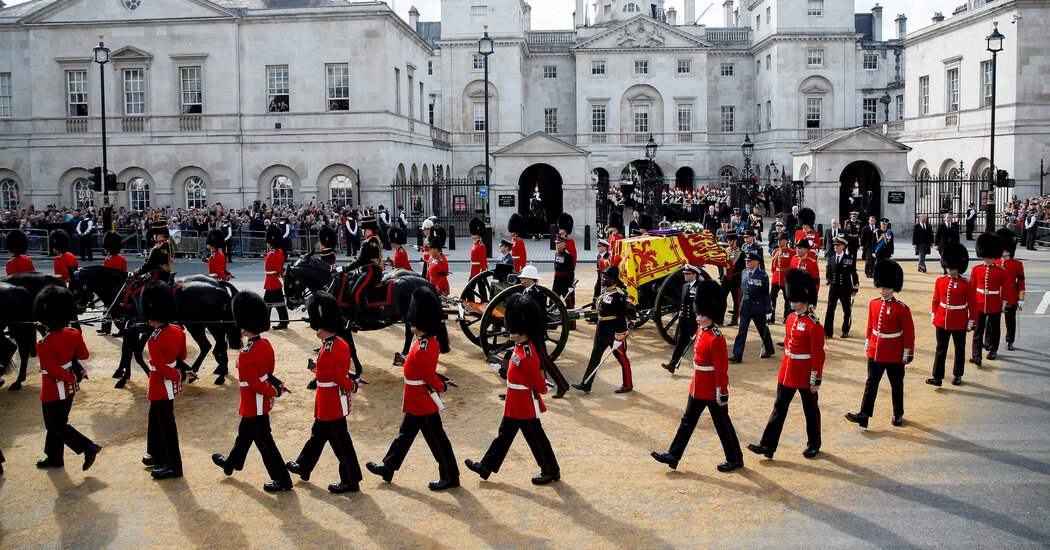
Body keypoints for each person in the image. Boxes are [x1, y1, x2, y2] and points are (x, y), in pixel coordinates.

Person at [367, 287, 460, 491]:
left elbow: (428, 376)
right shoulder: (423, 341)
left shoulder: (426, 345)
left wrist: (442, 386)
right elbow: (420, 369)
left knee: (437, 440)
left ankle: (450, 476)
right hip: (415, 398)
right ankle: (388, 467)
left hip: (422, 401)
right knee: (405, 436)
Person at [465, 294, 561, 485]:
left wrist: (542, 388)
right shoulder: (520, 347)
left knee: (536, 438)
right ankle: (485, 467)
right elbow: (516, 372)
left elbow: (536, 380)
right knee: (504, 436)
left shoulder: (526, 353)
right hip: (514, 400)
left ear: (522, 329)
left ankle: (551, 471)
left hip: (523, 403)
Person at [651, 278, 744, 473]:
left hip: (711, 389)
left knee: (722, 424)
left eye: (700, 310)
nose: (697, 312)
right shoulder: (702, 331)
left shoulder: (716, 338)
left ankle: (735, 458)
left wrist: (722, 394)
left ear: (708, 312)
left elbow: (721, 370)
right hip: (698, 386)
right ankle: (673, 455)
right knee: (687, 422)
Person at [212, 291, 293, 492]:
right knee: (244, 435)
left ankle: (282, 480)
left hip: (254, 402)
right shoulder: (265, 344)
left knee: (265, 444)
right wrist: (274, 386)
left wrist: (274, 391)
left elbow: (256, 385)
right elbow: (268, 371)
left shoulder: (247, 355)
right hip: (257, 402)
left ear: (244, 325)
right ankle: (231, 464)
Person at [286, 292, 363, 494]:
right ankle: (304, 466)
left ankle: (351, 480)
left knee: (340, 443)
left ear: (323, 327)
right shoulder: (338, 343)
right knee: (317, 436)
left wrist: (352, 385)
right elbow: (333, 371)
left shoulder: (328, 349)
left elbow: (337, 376)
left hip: (330, 401)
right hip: (328, 399)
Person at [747, 268, 825, 460]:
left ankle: (814, 444)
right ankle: (767, 445)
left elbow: (818, 355)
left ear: (805, 299)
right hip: (788, 371)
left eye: (795, 299)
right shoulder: (790, 319)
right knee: (779, 408)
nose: (792, 302)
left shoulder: (813, 325)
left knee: (810, 409)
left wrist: (815, 379)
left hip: (805, 373)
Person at [33, 286, 101, 472]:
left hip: (53, 388)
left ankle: (87, 446)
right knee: (59, 421)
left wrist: (70, 376)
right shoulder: (74, 333)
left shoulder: (43, 343)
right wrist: (73, 376)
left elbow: (52, 370)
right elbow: (84, 354)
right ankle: (54, 457)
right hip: (70, 388)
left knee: (53, 425)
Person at [845, 260, 914, 428]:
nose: (882, 289)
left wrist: (907, 353)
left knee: (896, 384)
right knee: (871, 383)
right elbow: (871, 326)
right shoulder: (874, 303)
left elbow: (909, 333)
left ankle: (898, 413)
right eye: (880, 286)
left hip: (894, 352)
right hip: (876, 351)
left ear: (892, 286)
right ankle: (864, 414)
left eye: (885, 286)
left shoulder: (902, 309)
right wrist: (868, 343)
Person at [141, 282, 188, 480]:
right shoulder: (178, 331)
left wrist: (178, 376)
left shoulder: (154, 339)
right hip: (170, 382)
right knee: (157, 419)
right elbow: (183, 355)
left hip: (161, 385)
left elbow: (159, 368)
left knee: (166, 427)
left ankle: (173, 466)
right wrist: (177, 374)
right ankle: (157, 454)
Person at [573, 265, 632, 394]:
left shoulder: (619, 295)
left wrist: (619, 337)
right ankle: (586, 384)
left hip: (613, 332)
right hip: (601, 330)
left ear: (613, 279)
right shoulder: (605, 291)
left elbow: (621, 318)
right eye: (603, 276)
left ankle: (628, 384)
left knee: (622, 359)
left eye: (605, 276)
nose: (603, 278)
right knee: (594, 358)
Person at [926, 242, 977, 387]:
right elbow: (936, 300)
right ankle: (937, 376)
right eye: (947, 266)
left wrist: (971, 322)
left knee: (959, 350)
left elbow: (973, 306)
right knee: (940, 349)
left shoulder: (967, 284)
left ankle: (958, 374)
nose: (949, 269)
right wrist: (934, 315)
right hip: (942, 320)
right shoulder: (940, 281)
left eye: (951, 267)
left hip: (959, 321)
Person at [519, 265, 570, 397]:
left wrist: (535, 335)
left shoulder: (537, 294)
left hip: (535, 335)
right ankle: (518, 389)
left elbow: (539, 317)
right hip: (527, 334)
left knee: (546, 362)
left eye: (523, 277)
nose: (521, 279)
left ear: (530, 279)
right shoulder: (528, 292)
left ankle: (563, 386)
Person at [729, 252, 775, 363]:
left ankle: (769, 349)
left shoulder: (762, 275)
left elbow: (765, 294)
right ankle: (737, 354)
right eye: (746, 261)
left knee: (762, 329)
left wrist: (768, 310)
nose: (747, 263)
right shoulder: (744, 272)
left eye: (749, 261)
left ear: (756, 262)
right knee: (742, 331)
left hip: (757, 307)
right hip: (745, 307)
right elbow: (743, 290)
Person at [969, 233, 1006, 366]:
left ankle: (993, 349)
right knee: (978, 330)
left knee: (994, 328)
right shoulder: (976, 270)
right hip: (979, 303)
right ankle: (976, 355)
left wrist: (1004, 304)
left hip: (994, 303)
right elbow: (972, 289)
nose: (987, 259)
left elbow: (1005, 289)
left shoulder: (1000, 271)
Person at [661, 264, 701, 373]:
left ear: (694, 275)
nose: (685, 276)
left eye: (688, 274)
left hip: (696, 321)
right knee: (680, 343)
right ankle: (672, 365)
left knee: (701, 344)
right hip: (684, 321)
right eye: (685, 274)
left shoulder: (700, 287)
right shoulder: (684, 286)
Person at [995, 228, 1024, 352]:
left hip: (1011, 295)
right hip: (996, 295)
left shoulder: (1017, 264)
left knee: (1010, 321)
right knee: (993, 321)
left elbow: (1021, 282)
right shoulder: (995, 262)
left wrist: (1020, 299)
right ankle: (990, 340)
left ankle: (1009, 340)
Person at [824, 237, 859, 339]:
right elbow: (829, 271)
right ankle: (827, 331)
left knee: (847, 310)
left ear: (843, 247)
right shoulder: (831, 258)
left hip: (845, 288)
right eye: (835, 245)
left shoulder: (849, 259)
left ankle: (845, 330)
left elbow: (854, 275)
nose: (836, 247)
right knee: (830, 308)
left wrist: (855, 288)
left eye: (838, 245)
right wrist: (829, 279)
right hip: (834, 288)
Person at [98, 231, 128, 336]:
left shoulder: (109, 260)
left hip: (112, 288)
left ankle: (120, 329)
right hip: (120, 286)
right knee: (108, 308)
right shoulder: (120, 258)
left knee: (114, 310)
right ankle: (105, 327)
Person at [263, 224, 289, 330]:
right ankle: (268, 322)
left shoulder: (273, 253)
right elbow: (281, 264)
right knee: (269, 303)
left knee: (276, 304)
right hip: (272, 280)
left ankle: (282, 322)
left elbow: (278, 267)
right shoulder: (278, 251)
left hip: (272, 281)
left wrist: (283, 275)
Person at [769, 232, 794, 323]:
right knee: (772, 298)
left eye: (781, 240)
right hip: (776, 277)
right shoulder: (775, 251)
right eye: (778, 240)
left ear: (786, 241)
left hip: (786, 277)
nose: (779, 242)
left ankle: (786, 316)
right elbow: (773, 266)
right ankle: (771, 316)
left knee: (787, 299)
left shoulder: (791, 252)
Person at [552, 235, 575, 318]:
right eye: (556, 243)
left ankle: (572, 323)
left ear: (563, 244)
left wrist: (570, 285)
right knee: (552, 301)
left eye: (558, 243)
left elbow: (570, 272)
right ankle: (552, 319)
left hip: (564, 282)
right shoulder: (556, 253)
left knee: (569, 304)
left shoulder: (568, 256)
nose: (556, 244)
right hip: (556, 281)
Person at [427, 227, 450, 297]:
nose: (429, 251)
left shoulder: (441, 260)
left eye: (431, 249)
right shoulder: (434, 257)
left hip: (439, 289)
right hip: (432, 285)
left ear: (436, 249)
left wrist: (436, 290)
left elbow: (442, 279)